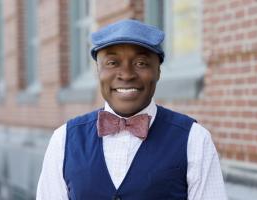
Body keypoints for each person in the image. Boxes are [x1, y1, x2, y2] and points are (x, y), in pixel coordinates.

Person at [36, 19, 228, 200]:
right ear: (98, 70)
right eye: (112, 63)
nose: (126, 75)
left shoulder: (194, 139)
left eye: (141, 63)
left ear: (158, 71)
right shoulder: (64, 140)